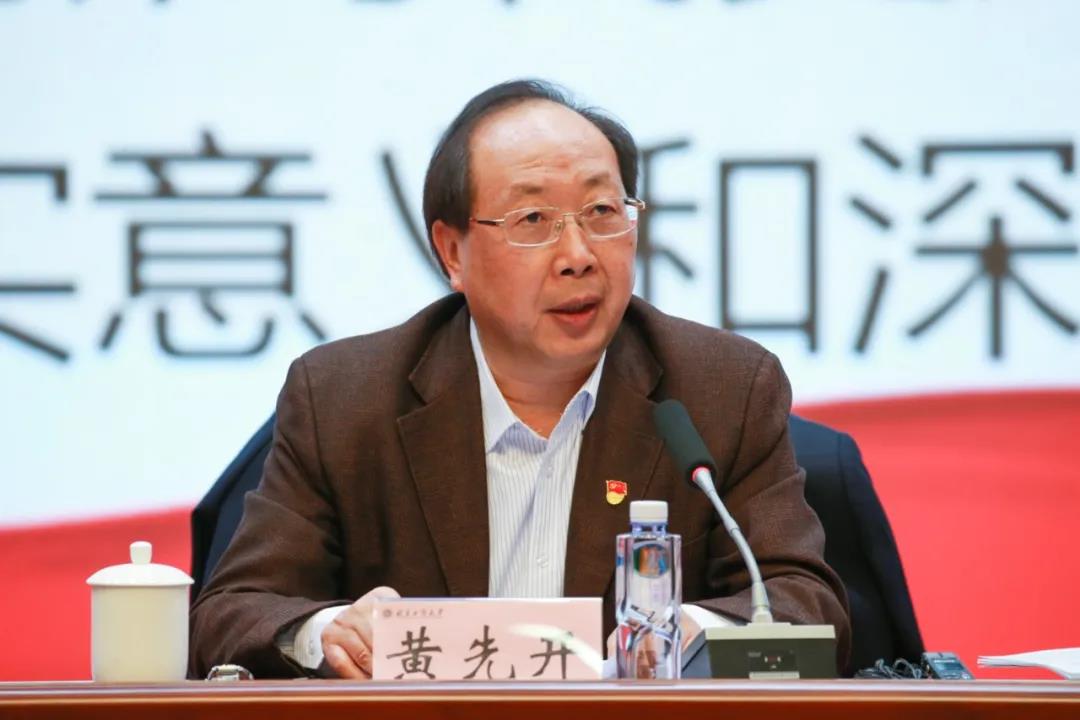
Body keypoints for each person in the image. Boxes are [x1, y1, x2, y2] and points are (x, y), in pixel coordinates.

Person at [189, 79, 851, 679]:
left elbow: (805, 605)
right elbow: (231, 611)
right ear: (452, 252)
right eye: (533, 221)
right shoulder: (344, 398)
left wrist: (685, 635)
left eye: (602, 211)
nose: (578, 256)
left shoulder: (722, 390)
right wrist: (330, 632)